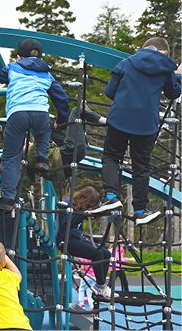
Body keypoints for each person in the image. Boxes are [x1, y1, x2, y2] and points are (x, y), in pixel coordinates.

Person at [92, 37, 182, 225]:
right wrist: (178, 75)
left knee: (112, 157)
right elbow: (173, 93)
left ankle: (111, 197)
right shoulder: (166, 68)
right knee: (141, 166)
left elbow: (110, 91)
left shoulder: (127, 62)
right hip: (146, 124)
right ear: (164, 52)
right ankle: (140, 210)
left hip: (120, 119)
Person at [0, 38, 69, 209]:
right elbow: (61, 98)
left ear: (19, 56)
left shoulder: (14, 67)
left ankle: (8, 198)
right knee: (43, 132)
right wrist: (62, 119)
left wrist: (6, 70)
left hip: (18, 113)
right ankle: (40, 157)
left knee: (11, 157)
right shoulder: (47, 73)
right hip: (40, 112)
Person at [57, 186, 116, 299]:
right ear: (84, 200)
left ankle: (101, 285)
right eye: (88, 205)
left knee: (106, 253)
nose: (87, 208)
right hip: (66, 241)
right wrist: (81, 213)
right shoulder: (67, 204)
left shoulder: (79, 207)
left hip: (76, 238)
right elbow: (65, 224)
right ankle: (101, 286)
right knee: (97, 253)